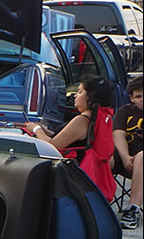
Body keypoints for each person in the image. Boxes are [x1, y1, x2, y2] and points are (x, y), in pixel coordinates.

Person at [23, 75, 117, 199]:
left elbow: (53, 145)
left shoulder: (82, 120)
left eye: (80, 92)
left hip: (67, 172)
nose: (75, 95)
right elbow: (70, 139)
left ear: (91, 97)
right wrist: (42, 130)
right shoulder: (97, 118)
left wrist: (36, 129)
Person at [114, 75, 142, 228]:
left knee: (142, 156)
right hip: (125, 157)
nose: (142, 99)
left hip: (142, 161)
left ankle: (133, 209)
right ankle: (94, 203)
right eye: (138, 96)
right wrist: (125, 157)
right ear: (131, 98)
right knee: (103, 157)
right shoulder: (125, 111)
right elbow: (118, 134)